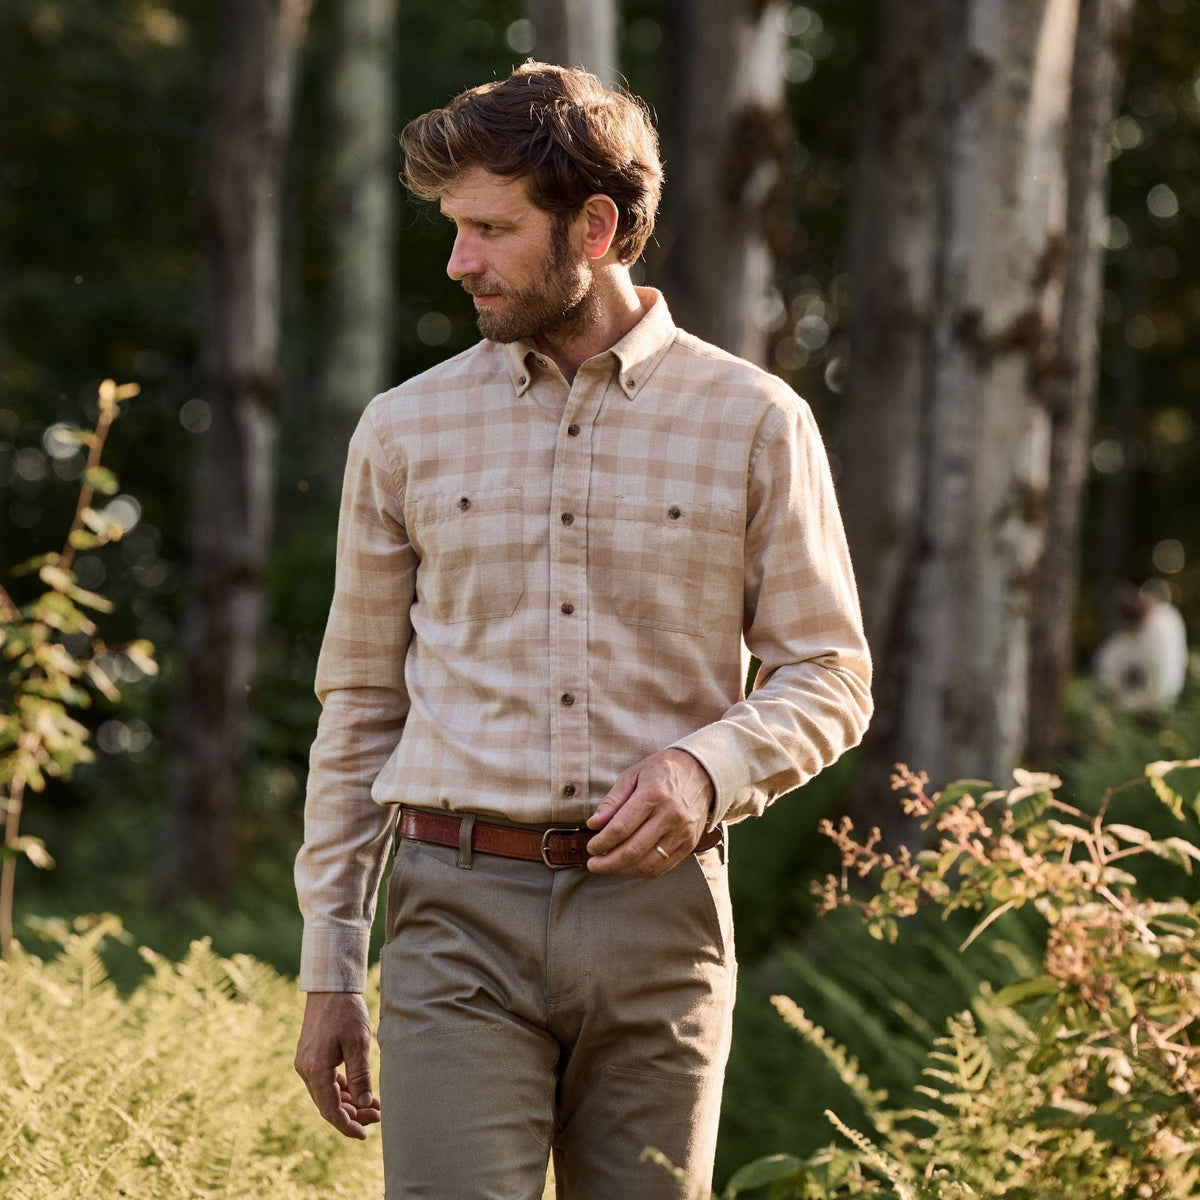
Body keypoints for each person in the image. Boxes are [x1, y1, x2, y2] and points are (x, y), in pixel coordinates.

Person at [293, 61, 873, 1199]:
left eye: (490, 230)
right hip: (454, 911)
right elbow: (361, 704)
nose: (460, 261)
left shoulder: (757, 421)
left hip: (661, 926)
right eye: (454, 228)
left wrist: (705, 772)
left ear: (597, 226)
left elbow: (830, 672)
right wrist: (331, 968)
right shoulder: (403, 431)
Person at [1094, 581, 1188, 714]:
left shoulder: (1158, 626)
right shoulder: (1167, 618)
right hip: (1159, 696)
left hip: (1152, 700)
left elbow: (1155, 672)